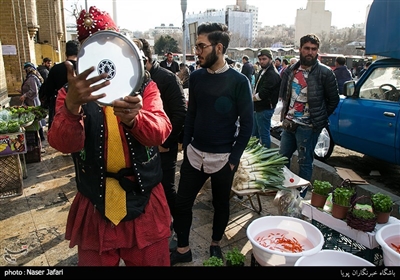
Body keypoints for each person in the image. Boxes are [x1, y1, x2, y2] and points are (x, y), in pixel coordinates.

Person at [47, 6, 172, 266]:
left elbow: (161, 130)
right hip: (96, 204)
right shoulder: (70, 94)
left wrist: (135, 119)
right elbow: (62, 142)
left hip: (144, 202)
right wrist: (71, 107)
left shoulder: (145, 86)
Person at [170, 22, 254, 266]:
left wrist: (233, 160)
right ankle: (183, 249)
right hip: (194, 155)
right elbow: (192, 114)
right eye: (196, 46)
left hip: (223, 159)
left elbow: (247, 125)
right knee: (183, 203)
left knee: (220, 205)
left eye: (201, 46)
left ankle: (216, 243)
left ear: (219, 47)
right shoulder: (196, 78)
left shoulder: (239, 81)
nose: (197, 51)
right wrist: (186, 147)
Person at [279, 33, 339, 198]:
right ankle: (284, 191)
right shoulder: (291, 70)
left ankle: (300, 197)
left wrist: (318, 119)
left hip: (308, 127)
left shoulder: (325, 73)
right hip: (289, 123)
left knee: (305, 162)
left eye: (313, 49)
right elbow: (285, 94)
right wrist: (284, 115)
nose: (310, 52)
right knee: (282, 159)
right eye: (307, 48)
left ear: (317, 51)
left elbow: (333, 100)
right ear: (300, 49)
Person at [139, 37, 186, 239]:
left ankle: (180, 232)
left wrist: (165, 143)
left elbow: (180, 113)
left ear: (145, 58)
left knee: (166, 188)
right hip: (143, 146)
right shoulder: (134, 78)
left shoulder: (167, 78)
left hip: (163, 146)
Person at [42, 40, 79, 130]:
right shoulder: (84, 67)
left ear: (65, 53)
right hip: (80, 107)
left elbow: (48, 90)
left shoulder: (56, 69)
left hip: (59, 107)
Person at [252, 48, 281, 148]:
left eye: (264, 59)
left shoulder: (272, 74)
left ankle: (265, 157)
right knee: (254, 134)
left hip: (265, 108)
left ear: (270, 59)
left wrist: (251, 98)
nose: (261, 61)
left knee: (264, 135)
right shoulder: (262, 71)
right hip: (258, 107)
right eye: (260, 59)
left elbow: (264, 93)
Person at [17, 62, 46, 148]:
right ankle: (41, 138)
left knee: (36, 120)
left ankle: (41, 139)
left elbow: (34, 90)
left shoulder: (31, 78)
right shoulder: (30, 78)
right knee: (37, 121)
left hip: (33, 102)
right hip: (31, 101)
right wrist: (22, 92)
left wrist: (24, 95)